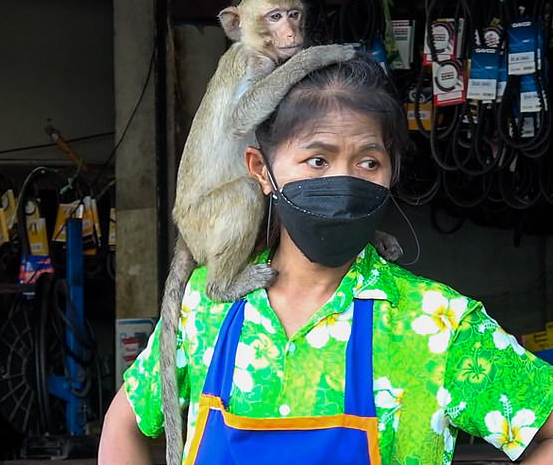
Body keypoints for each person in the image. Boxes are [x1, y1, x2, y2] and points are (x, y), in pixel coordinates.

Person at [98, 56, 553, 464]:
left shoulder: (437, 324)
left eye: (369, 163)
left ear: (391, 170)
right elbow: (124, 425)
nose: (344, 181)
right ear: (261, 170)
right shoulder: (204, 306)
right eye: (317, 160)